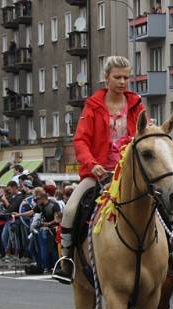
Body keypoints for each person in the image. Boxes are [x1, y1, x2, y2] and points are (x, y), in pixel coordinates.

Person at [54, 56, 145, 283]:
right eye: (117, 77)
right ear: (106, 78)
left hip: (129, 171)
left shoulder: (136, 104)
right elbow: (80, 141)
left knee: (160, 199)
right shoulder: (93, 105)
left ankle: (170, 251)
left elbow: (143, 134)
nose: (123, 82)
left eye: (126, 77)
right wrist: (92, 164)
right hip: (99, 173)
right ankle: (66, 261)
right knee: (71, 209)